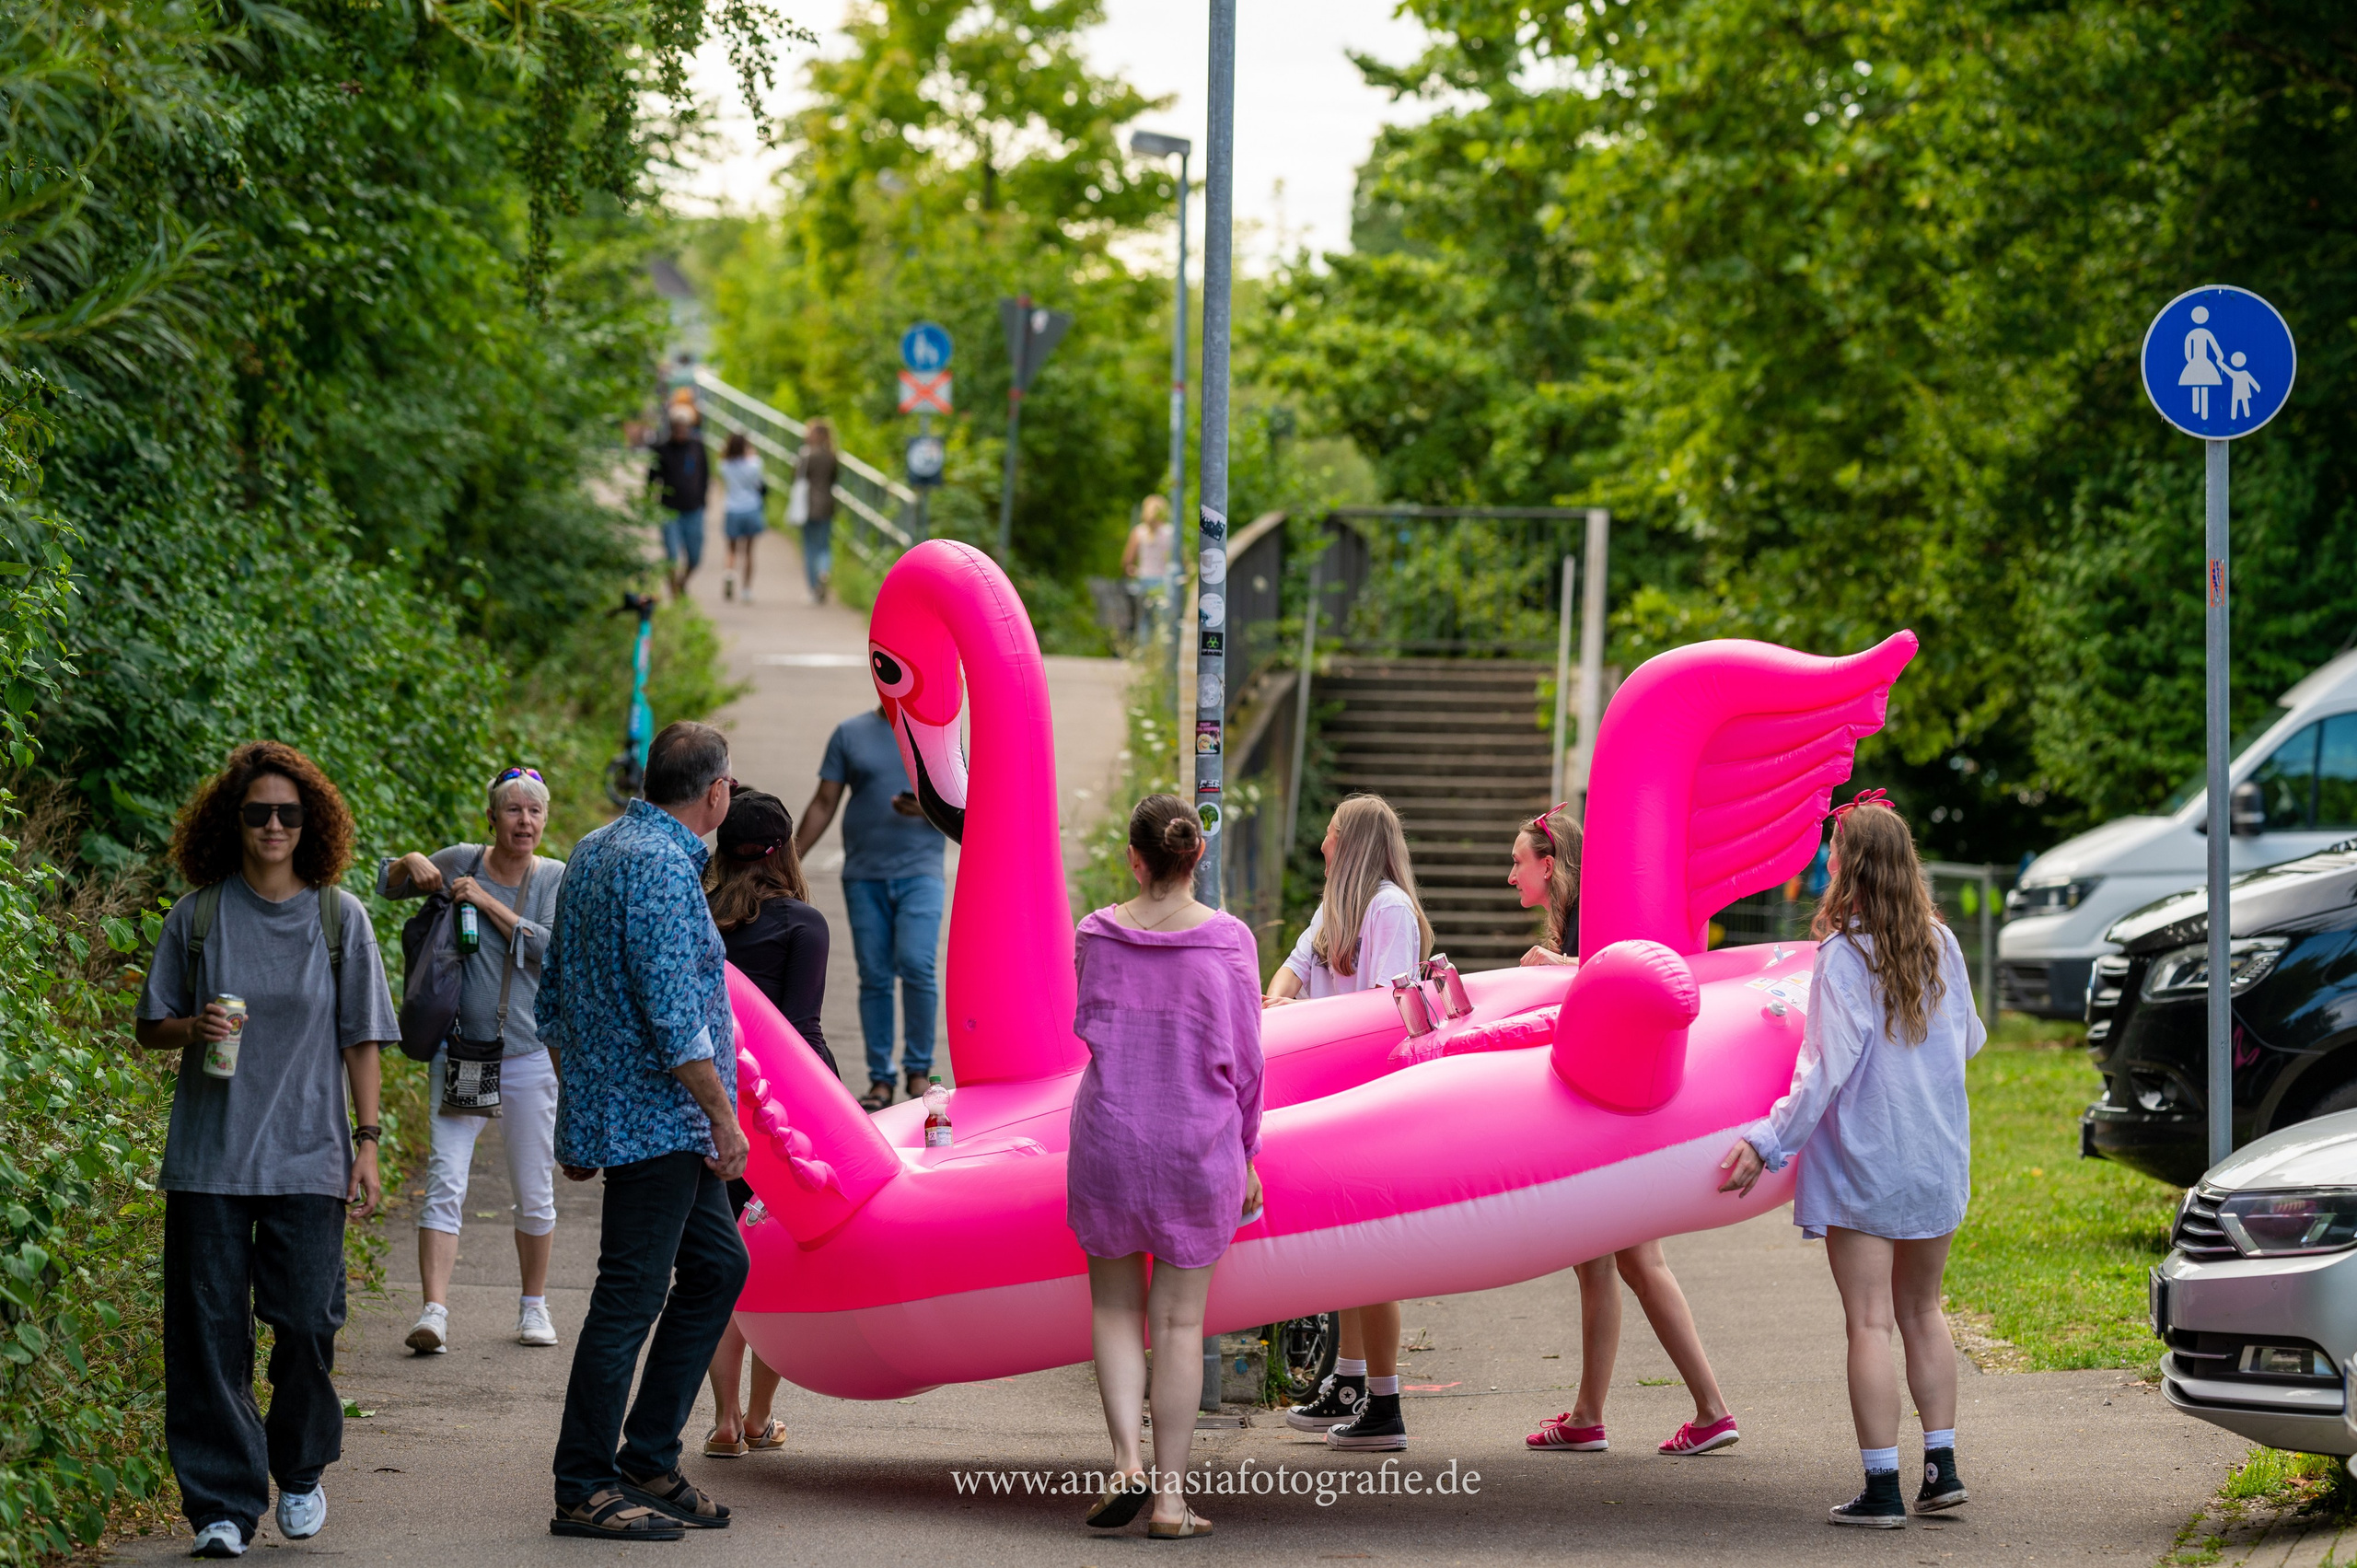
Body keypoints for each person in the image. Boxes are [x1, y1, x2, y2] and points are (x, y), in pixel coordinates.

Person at [134, 741, 399, 1559]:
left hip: (310, 1156)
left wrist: (368, 1142)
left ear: (310, 822)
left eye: (289, 812)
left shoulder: (339, 918)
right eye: (258, 812)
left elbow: (362, 1040)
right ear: (234, 820)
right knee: (208, 1336)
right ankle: (222, 1505)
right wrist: (192, 1027)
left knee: (309, 1323)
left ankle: (301, 1465)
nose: (274, 825)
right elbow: (151, 1027)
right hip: (210, 1160)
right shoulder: (198, 916)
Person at [1719, 792, 1986, 1527]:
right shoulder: (1943, 943)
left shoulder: (1842, 956)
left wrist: (1767, 1142)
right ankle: (1941, 1469)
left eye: (1833, 853)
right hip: (1936, 1155)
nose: (1827, 864)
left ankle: (1882, 1487)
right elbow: (1969, 1040)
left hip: (1868, 1158)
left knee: (1870, 1322)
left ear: (1852, 868)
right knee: (1924, 1310)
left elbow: (1824, 1070)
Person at [539, 722, 750, 1541]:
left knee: (718, 1267)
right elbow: (674, 1018)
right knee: (629, 1296)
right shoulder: (661, 865)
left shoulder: (593, 848)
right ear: (715, 792)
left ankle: (648, 1456)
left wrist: (579, 1105)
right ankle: (582, 1483)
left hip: (638, 1117)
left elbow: (553, 998)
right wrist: (724, 1118)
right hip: (660, 1121)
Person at [1507, 804, 1740, 1458]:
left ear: (1549, 864)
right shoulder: (1579, 914)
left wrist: (1559, 965)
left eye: (1518, 862)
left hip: (1614, 1111)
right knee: (1598, 1262)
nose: (1511, 876)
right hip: (1610, 1105)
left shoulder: (1591, 916)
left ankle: (1711, 1409)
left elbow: (1617, 978)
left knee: (1636, 1259)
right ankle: (1590, 1415)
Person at [1070, 796, 1262, 1539]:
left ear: (1134, 857)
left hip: (1109, 1140)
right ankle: (1171, 1502)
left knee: (1115, 1308)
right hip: (1196, 1146)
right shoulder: (1230, 941)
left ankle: (1125, 1460)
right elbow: (1249, 1064)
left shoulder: (1095, 932)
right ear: (1197, 856)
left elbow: (1087, 1023)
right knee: (1179, 1323)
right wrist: (1247, 1150)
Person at [377, 766, 569, 1356]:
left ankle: (533, 1306)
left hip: (528, 1055)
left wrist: (484, 901)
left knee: (534, 1187)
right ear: (492, 818)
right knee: (445, 1179)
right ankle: (433, 1312)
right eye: (513, 810)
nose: (524, 821)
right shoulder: (461, 859)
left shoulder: (554, 877)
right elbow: (388, 885)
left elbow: (553, 950)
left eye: (534, 811)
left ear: (545, 819)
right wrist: (411, 861)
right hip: (461, 1049)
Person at [1268, 795, 1429, 1453]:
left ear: (1353, 843)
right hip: (1332, 1093)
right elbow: (1295, 967)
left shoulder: (1389, 910)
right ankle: (1349, 1378)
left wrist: (1303, 1019)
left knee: (1373, 1251)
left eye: (1331, 833)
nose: (1323, 844)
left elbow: (1384, 1007)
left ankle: (1384, 1404)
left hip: (1370, 1096)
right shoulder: (1335, 908)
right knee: (1346, 1245)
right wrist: (1278, 1001)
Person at [700, 787, 830, 1458]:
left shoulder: (700, 915)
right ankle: (757, 1418)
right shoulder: (802, 924)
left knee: (719, 1270)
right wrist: (839, 1109)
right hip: (779, 1121)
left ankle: (723, 1422)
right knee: (768, 1265)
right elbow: (802, 1029)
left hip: (705, 1108)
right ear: (784, 852)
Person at [795, 705, 944, 1111]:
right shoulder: (850, 733)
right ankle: (881, 1078)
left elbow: (971, 799)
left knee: (917, 964)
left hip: (921, 872)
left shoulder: (941, 734)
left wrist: (929, 809)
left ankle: (919, 1070)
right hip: (864, 874)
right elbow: (824, 802)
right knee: (874, 975)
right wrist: (789, 861)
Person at [649, 405, 711, 601]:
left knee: (695, 556)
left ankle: (681, 584)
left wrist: (703, 499)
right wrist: (647, 504)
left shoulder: (697, 447)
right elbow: (651, 478)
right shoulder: (662, 449)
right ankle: (675, 596)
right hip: (670, 510)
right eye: (677, 427)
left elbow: (705, 474)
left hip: (694, 509)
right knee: (672, 555)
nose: (681, 432)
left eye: (684, 427)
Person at [794, 418, 840, 604]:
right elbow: (834, 479)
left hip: (808, 506)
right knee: (824, 545)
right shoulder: (832, 455)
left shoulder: (806, 455)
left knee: (809, 547)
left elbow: (797, 478)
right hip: (827, 505)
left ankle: (813, 588)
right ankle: (823, 572)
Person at [1120, 494, 1177, 645]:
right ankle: (1161, 653)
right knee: (1162, 621)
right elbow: (1180, 560)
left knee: (1144, 620)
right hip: (1164, 582)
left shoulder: (1139, 532)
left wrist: (1133, 571)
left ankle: (1144, 652)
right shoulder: (1170, 532)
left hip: (1143, 580)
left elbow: (1127, 561)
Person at [718, 432, 766, 604]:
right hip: (751, 508)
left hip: (732, 508)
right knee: (749, 552)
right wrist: (751, 453)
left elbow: (723, 462)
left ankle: (729, 573)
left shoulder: (725, 465)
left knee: (731, 549)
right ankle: (746, 590)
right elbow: (760, 481)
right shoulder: (754, 464)